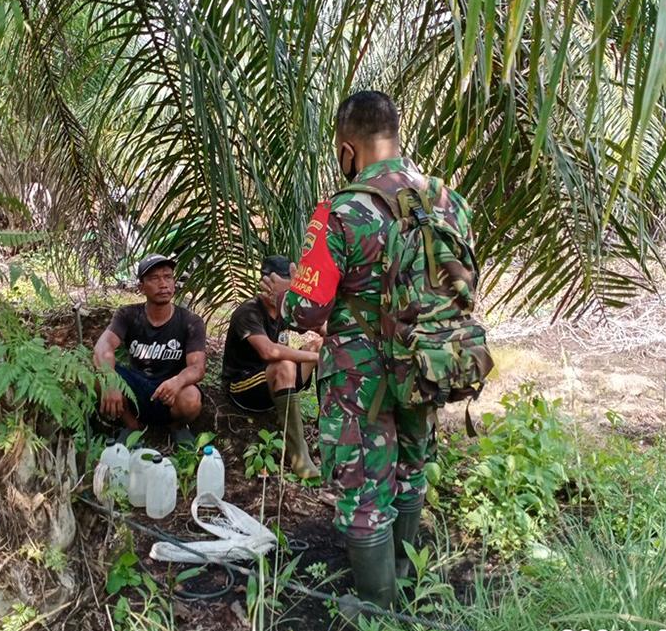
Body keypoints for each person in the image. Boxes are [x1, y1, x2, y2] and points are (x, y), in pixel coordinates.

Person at [263, 91, 489, 609]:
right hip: (425, 364)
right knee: (411, 470)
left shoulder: (340, 211)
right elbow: (461, 286)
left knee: (365, 491)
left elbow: (305, 315)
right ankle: (407, 583)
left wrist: (288, 293)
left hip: (358, 379)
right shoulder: (448, 200)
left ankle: (378, 609)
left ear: (348, 149)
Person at [221, 255, 321, 479]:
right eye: (280, 283)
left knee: (321, 345)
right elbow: (268, 351)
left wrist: (314, 317)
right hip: (244, 386)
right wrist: (314, 358)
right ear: (265, 283)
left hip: (277, 380)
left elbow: (323, 328)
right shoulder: (248, 312)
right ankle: (299, 455)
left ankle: (327, 425)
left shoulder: (287, 309)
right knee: (285, 362)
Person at [93, 254, 206, 446]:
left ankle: (177, 427)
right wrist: (110, 380)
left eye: (168, 277)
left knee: (192, 398)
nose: (163, 284)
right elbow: (103, 346)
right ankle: (132, 427)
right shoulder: (127, 315)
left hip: (170, 390)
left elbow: (197, 368)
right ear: (141, 287)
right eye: (154, 278)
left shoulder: (190, 321)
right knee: (98, 377)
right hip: (136, 387)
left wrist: (178, 381)